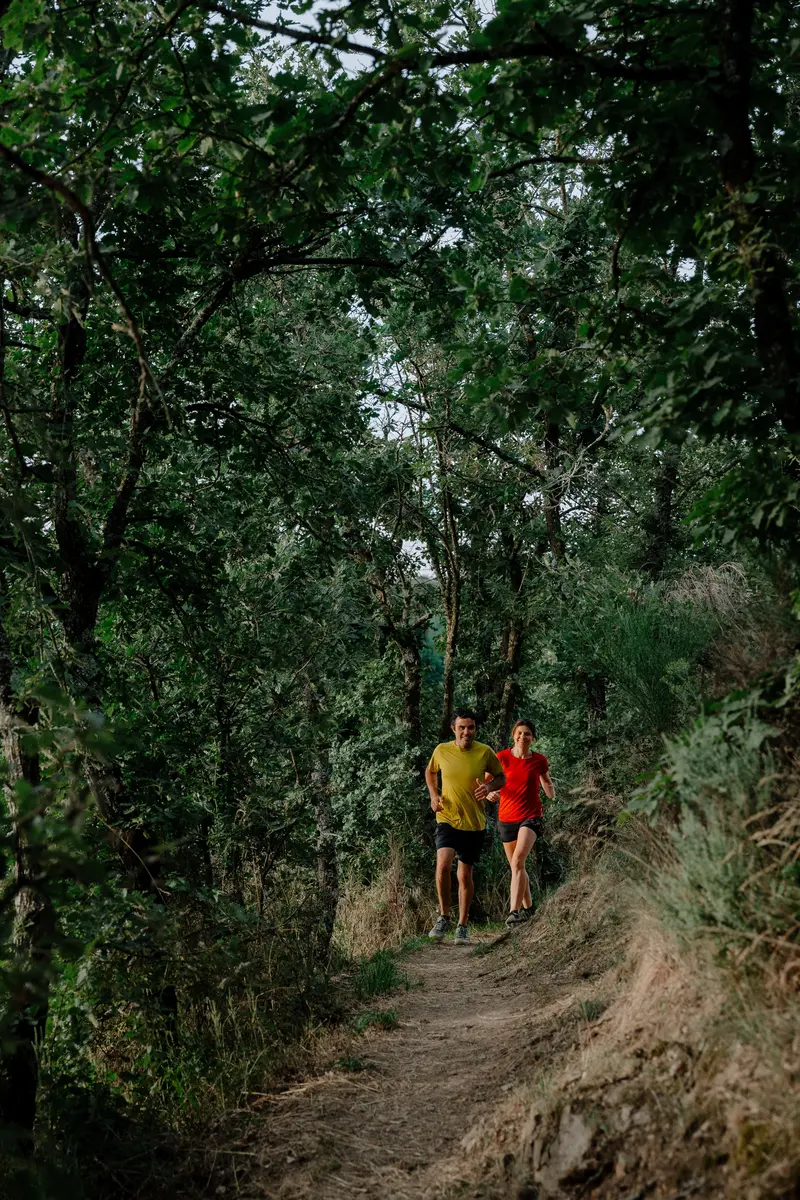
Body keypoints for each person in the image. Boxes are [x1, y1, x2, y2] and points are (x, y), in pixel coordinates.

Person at [425, 709, 505, 946]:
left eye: (470, 727)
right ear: (454, 729)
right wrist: (433, 795)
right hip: (447, 817)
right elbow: (430, 772)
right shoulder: (441, 750)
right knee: (443, 865)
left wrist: (490, 788)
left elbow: (501, 778)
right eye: (462, 727)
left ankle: (462, 925)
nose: (466, 732)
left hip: (474, 823)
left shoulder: (485, 752)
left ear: (475, 729)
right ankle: (443, 917)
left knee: (464, 875)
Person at [494, 718, 555, 926]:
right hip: (506, 818)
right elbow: (490, 783)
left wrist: (552, 794)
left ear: (533, 737)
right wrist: (490, 793)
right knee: (516, 866)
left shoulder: (539, 760)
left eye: (527, 733)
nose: (523, 736)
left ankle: (514, 912)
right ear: (513, 735)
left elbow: (546, 781)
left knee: (518, 861)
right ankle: (530, 909)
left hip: (532, 816)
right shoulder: (501, 757)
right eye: (519, 733)